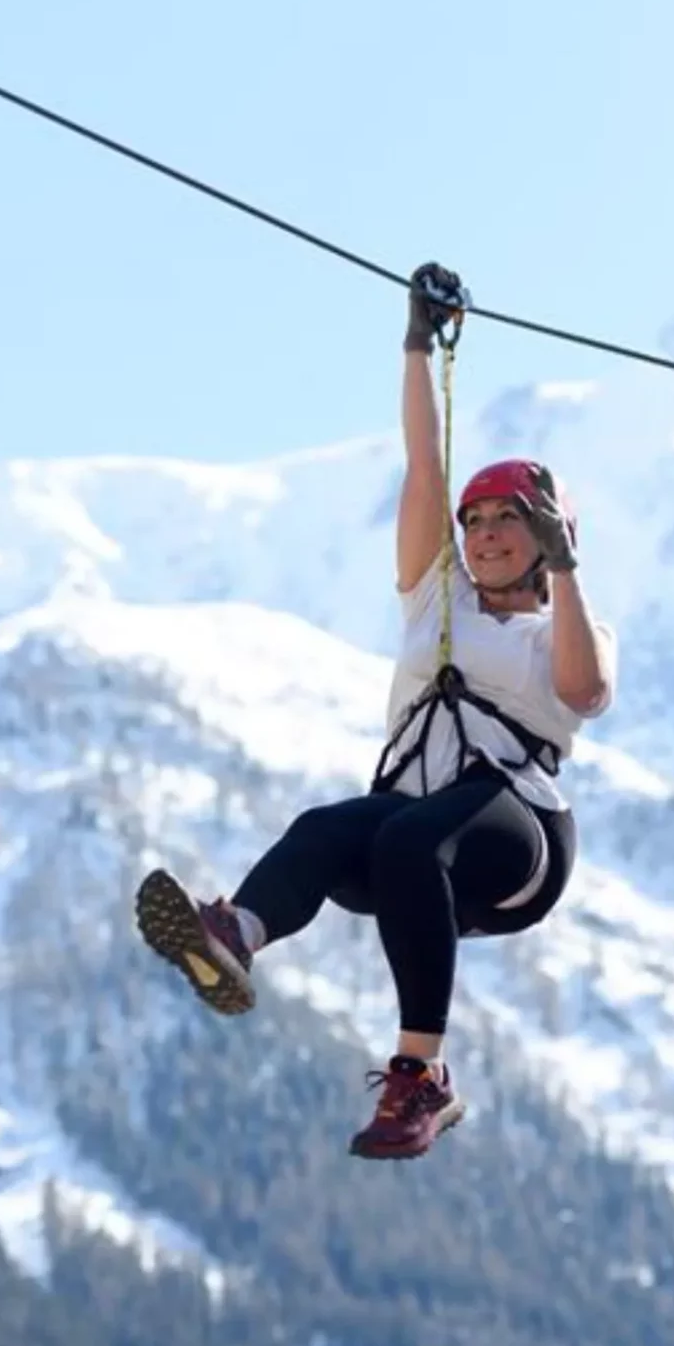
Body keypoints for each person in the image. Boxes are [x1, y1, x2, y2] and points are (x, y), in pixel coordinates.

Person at [135, 263, 617, 1161]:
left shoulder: (569, 625)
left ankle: (419, 1079)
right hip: (420, 835)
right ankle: (235, 935)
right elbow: (423, 466)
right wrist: (415, 344)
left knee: (406, 835)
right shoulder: (438, 601)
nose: (482, 533)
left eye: (509, 520)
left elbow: (585, 691)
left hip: (517, 837)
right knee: (327, 827)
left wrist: (567, 572)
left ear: (550, 538)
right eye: (474, 523)